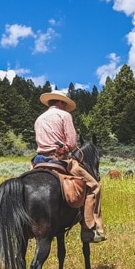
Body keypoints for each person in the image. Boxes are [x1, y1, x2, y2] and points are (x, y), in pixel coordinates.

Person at [34, 90, 106, 243]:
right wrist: (66, 148)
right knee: (94, 186)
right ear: (61, 103)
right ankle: (92, 229)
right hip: (59, 160)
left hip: (38, 161)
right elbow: (72, 144)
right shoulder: (64, 116)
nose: (66, 107)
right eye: (65, 104)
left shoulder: (39, 119)